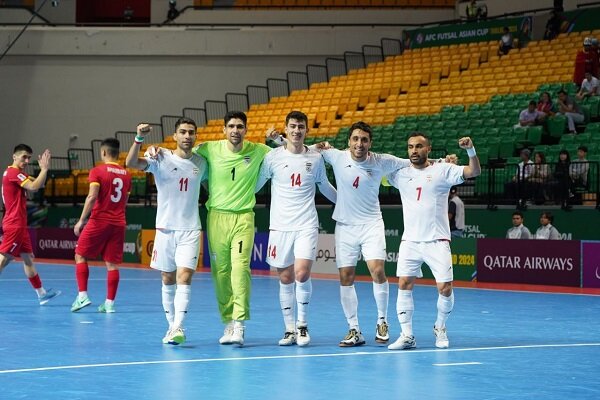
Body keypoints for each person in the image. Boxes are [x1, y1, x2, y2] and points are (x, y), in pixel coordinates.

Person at [315, 121, 414, 348]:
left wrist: (441, 162)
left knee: (377, 271)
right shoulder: (336, 156)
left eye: (364, 140)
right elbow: (304, 149)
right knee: (346, 277)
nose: (359, 144)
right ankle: (354, 329)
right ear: (348, 141)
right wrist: (281, 141)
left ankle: (382, 321)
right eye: (356, 139)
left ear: (370, 143)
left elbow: (413, 162)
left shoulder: (381, 161)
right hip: (345, 227)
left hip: (371, 224)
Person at [386, 134, 481, 350]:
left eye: (419, 146)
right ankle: (407, 335)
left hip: (437, 240)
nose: (414, 151)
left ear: (428, 148)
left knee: (445, 288)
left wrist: (470, 150)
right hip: (410, 240)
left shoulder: (443, 170)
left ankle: (440, 326)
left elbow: (474, 171)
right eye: (410, 147)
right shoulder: (399, 174)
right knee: (404, 284)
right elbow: (377, 174)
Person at [192, 111, 279, 347]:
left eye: (240, 126)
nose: (235, 131)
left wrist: (277, 139)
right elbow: (183, 152)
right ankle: (228, 321)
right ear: (224, 129)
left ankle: (240, 323)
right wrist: (154, 152)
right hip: (217, 218)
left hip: (243, 218)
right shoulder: (209, 148)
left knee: (240, 269)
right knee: (221, 272)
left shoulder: (258, 150)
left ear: (246, 130)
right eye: (231, 126)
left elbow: (286, 155)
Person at [255, 111, 337, 347]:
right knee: (286, 276)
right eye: (292, 126)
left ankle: (302, 325)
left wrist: (344, 201)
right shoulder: (272, 157)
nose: (296, 130)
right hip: (280, 225)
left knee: (301, 273)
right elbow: (256, 185)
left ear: (306, 130)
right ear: (285, 129)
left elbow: (325, 186)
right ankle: (289, 329)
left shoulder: (316, 158)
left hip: (306, 223)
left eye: (301, 127)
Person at [126, 118, 208, 345]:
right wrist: (140, 139)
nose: (187, 136)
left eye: (191, 132)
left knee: (185, 276)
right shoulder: (160, 158)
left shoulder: (202, 163)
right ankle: (171, 326)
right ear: (175, 136)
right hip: (165, 230)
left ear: (195, 136)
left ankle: (179, 326)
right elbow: (132, 162)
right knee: (167, 277)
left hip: (190, 229)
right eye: (183, 132)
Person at [71, 138, 132, 313]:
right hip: (118, 222)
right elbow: (124, 201)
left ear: (103, 152)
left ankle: (82, 296)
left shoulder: (97, 171)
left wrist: (81, 221)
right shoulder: (127, 175)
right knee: (112, 264)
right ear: (118, 153)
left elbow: (91, 197)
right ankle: (109, 304)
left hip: (99, 220)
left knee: (80, 255)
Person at [0, 144, 60, 304]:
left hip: (19, 224)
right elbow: (34, 186)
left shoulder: (17, 174)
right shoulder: (13, 173)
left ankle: (41, 293)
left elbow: (39, 184)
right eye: (23, 157)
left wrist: (42, 172)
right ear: (14, 157)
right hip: (15, 224)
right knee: (4, 258)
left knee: (28, 258)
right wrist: (45, 169)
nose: (26, 161)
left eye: (28, 158)